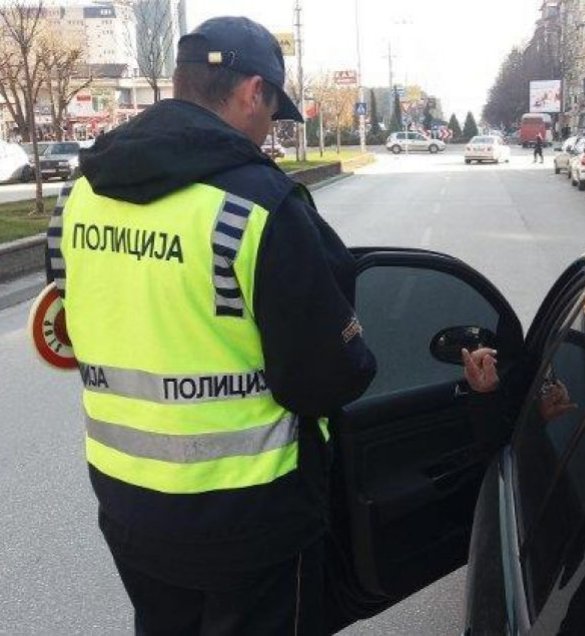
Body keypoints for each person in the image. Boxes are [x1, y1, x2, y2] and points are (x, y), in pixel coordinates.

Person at [45, 16, 376, 635]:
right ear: (253, 91)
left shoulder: (79, 192)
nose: (270, 130)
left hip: (127, 504)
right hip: (251, 524)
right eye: (274, 111)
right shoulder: (257, 205)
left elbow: (71, 314)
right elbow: (329, 377)